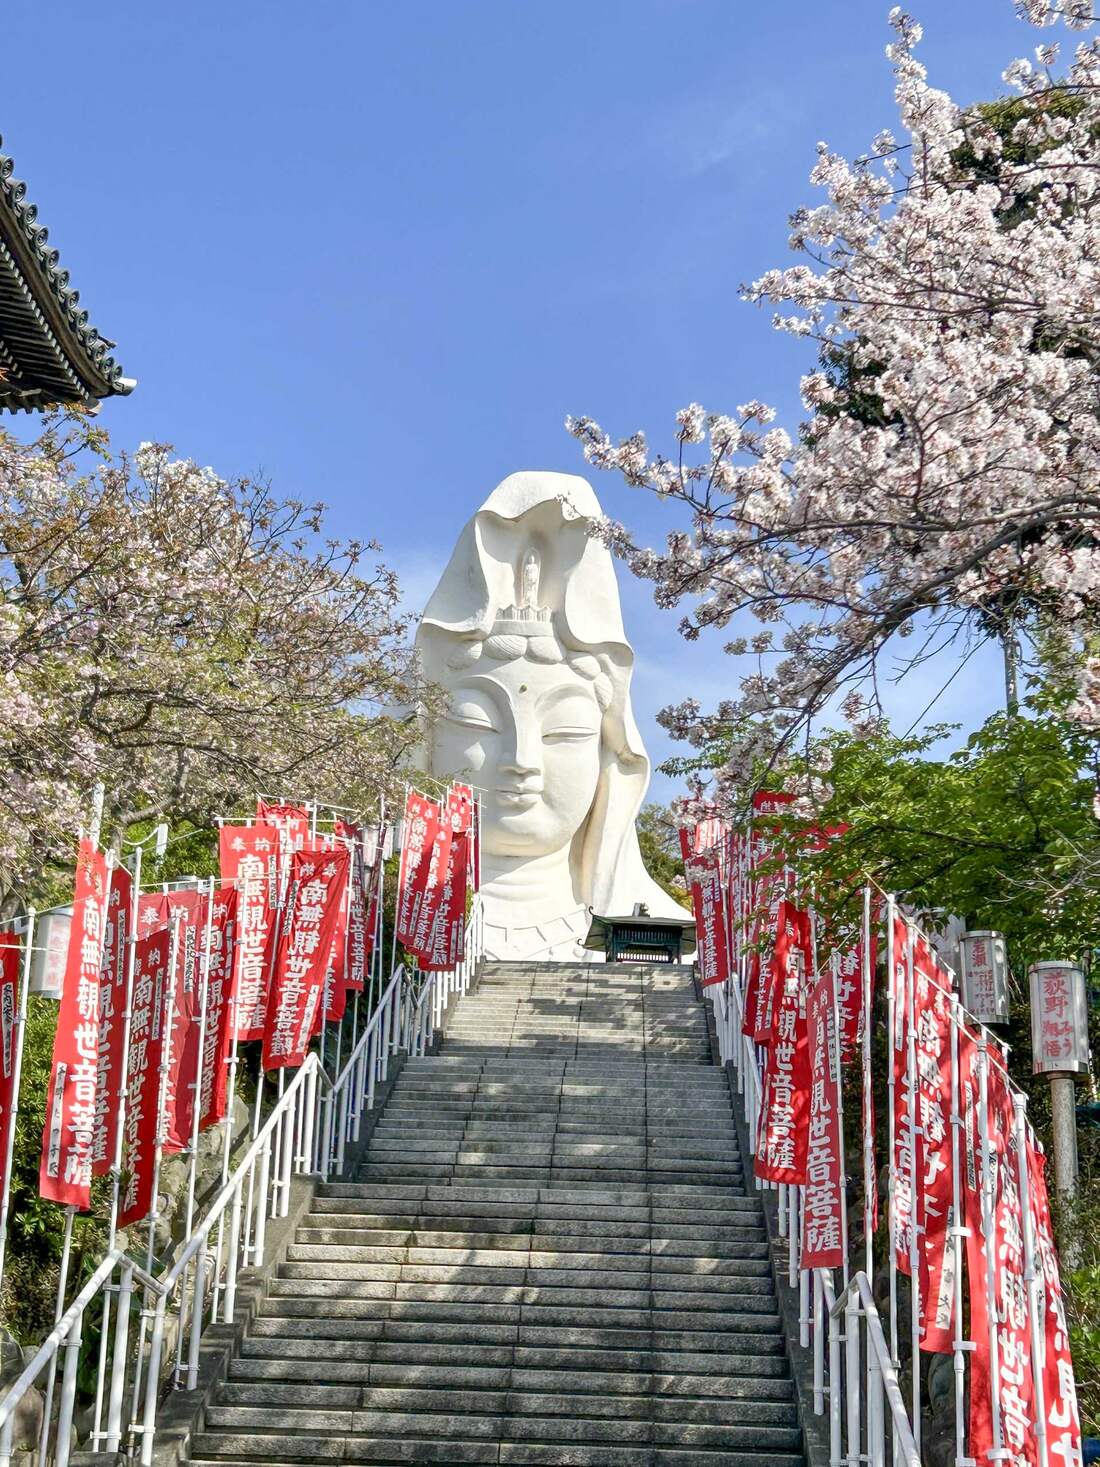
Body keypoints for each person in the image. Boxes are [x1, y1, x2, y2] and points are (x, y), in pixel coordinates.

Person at [416, 470, 686, 961]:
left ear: (607, 750)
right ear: (426, 737)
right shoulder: (361, 930)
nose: (522, 762)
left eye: (566, 731)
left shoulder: (686, 954)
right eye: (477, 722)